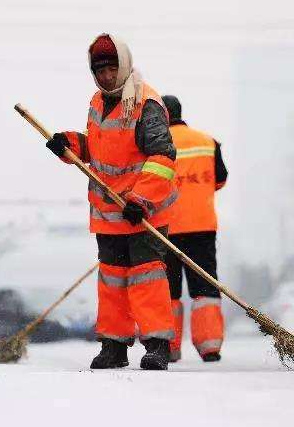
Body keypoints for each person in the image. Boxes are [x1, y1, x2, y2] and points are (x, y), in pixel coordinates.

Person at [45, 33, 178, 370]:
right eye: (99, 70)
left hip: (141, 212)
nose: (105, 76)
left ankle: (158, 346)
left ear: (125, 65)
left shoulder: (146, 103)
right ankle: (114, 345)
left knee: (147, 279)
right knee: (112, 283)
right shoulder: (97, 101)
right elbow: (98, 149)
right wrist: (70, 145)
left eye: (111, 68)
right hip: (108, 214)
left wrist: (141, 199)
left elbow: (162, 156)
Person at [160, 94, 228, 362]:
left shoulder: (157, 145)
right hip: (202, 227)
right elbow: (220, 180)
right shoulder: (208, 142)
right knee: (205, 287)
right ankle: (209, 346)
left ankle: (169, 347)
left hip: (165, 230)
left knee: (168, 291)